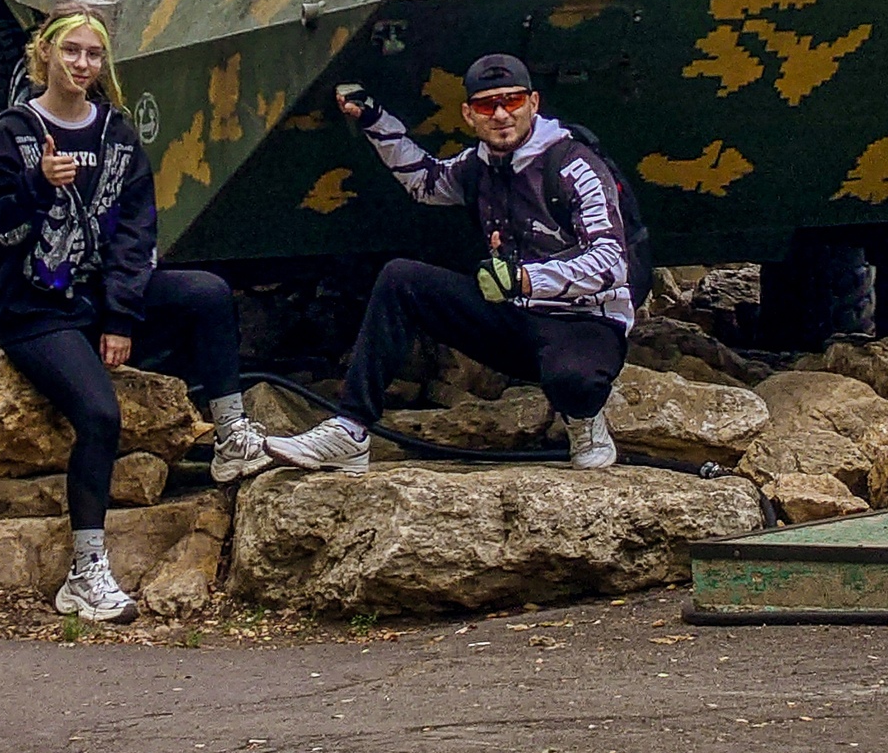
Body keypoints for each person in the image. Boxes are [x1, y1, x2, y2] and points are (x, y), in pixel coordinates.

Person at [0, 5, 274, 624]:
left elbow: (136, 235)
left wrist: (122, 316)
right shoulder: (15, 129)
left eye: (93, 54)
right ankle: (85, 573)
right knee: (97, 412)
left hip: (96, 301)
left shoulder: (115, 132)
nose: (82, 65)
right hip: (36, 309)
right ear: (45, 54)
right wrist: (38, 184)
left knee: (207, 293)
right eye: (71, 52)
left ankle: (232, 436)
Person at [265, 54, 635, 475]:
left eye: (511, 101)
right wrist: (375, 120)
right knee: (401, 278)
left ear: (534, 102)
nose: (500, 115)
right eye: (485, 106)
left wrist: (525, 280)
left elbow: (611, 264)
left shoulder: (575, 167)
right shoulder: (477, 166)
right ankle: (350, 430)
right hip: (511, 318)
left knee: (575, 382)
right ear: (468, 114)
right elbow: (425, 181)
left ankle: (585, 423)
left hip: (584, 321)